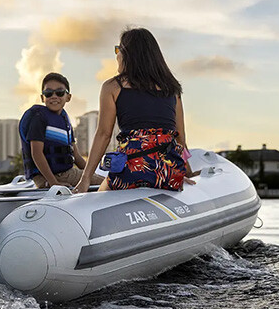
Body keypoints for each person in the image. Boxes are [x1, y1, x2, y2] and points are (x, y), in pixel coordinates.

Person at [74, 27, 196, 194]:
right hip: (167, 174)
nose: (117, 55)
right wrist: (184, 173)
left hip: (132, 170)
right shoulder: (172, 89)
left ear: (128, 54)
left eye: (118, 50)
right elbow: (180, 137)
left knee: (101, 192)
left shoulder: (113, 87)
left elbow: (103, 134)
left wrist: (85, 179)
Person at [19, 72, 103, 188]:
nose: (54, 96)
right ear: (42, 98)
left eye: (59, 92)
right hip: (54, 176)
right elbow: (36, 153)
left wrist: (90, 174)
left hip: (62, 175)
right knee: (109, 183)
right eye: (48, 93)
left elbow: (76, 156)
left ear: (68, 97)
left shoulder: (64, 120)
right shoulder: (39, 118)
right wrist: (54, 183)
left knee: (101, 178)